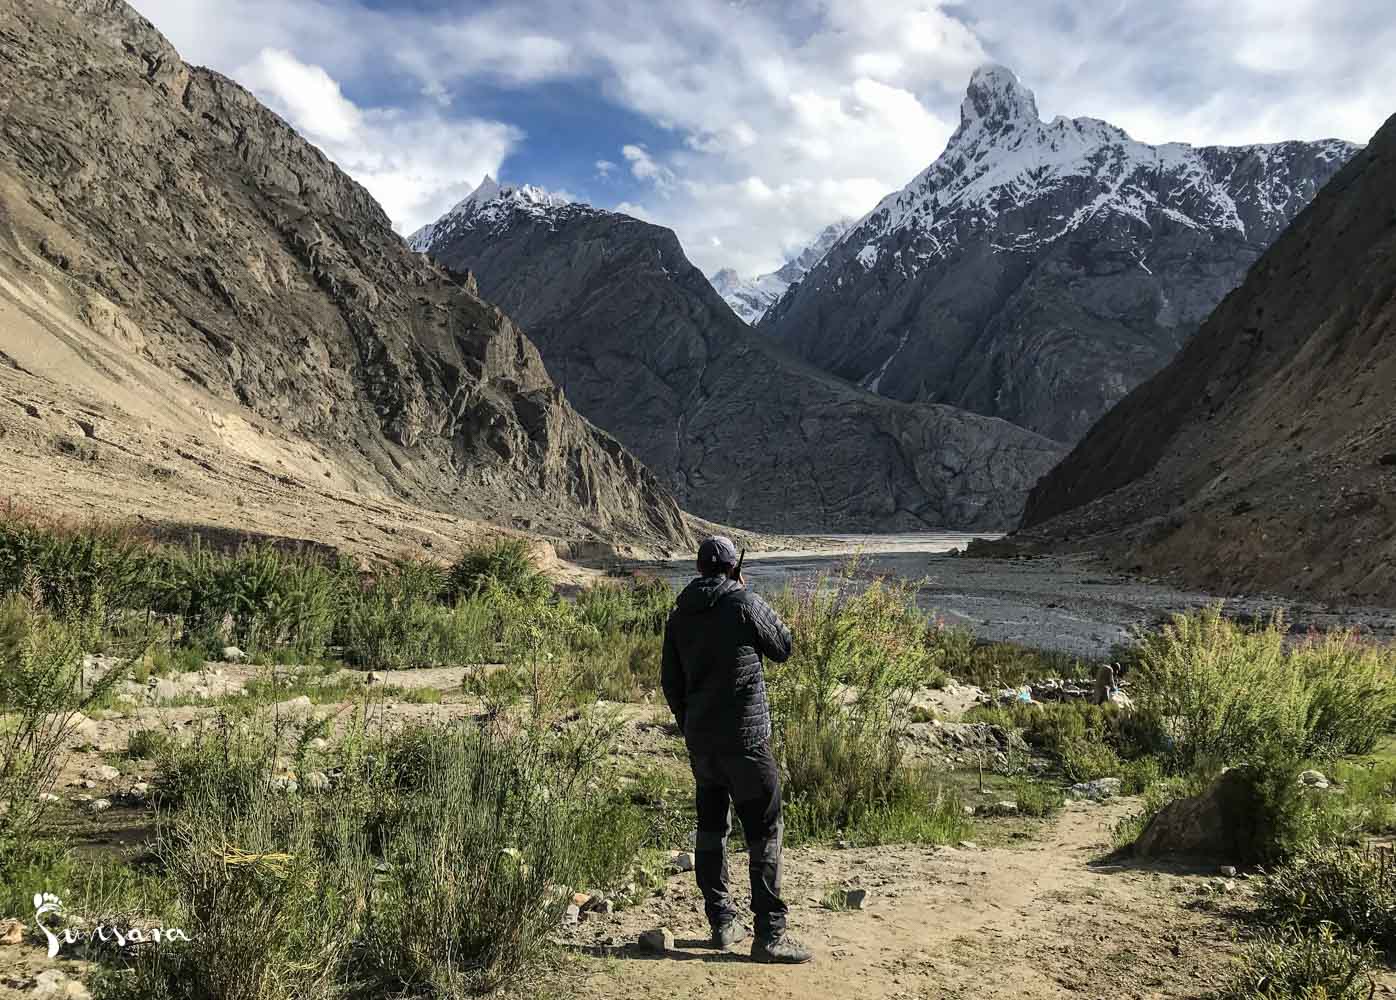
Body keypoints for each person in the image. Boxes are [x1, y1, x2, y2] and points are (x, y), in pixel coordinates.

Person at [661, 536, 812, 964]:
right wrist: (746, 594)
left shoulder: (679, 614)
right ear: (732, 567)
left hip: (703, 746)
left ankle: (722, 923)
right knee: (764, 833)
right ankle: (770, 935)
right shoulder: (745, 603)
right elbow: (783, 647)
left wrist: (692, 727)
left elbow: (670, 683)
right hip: (747, 743)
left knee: (711, 830)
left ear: (699, 569)